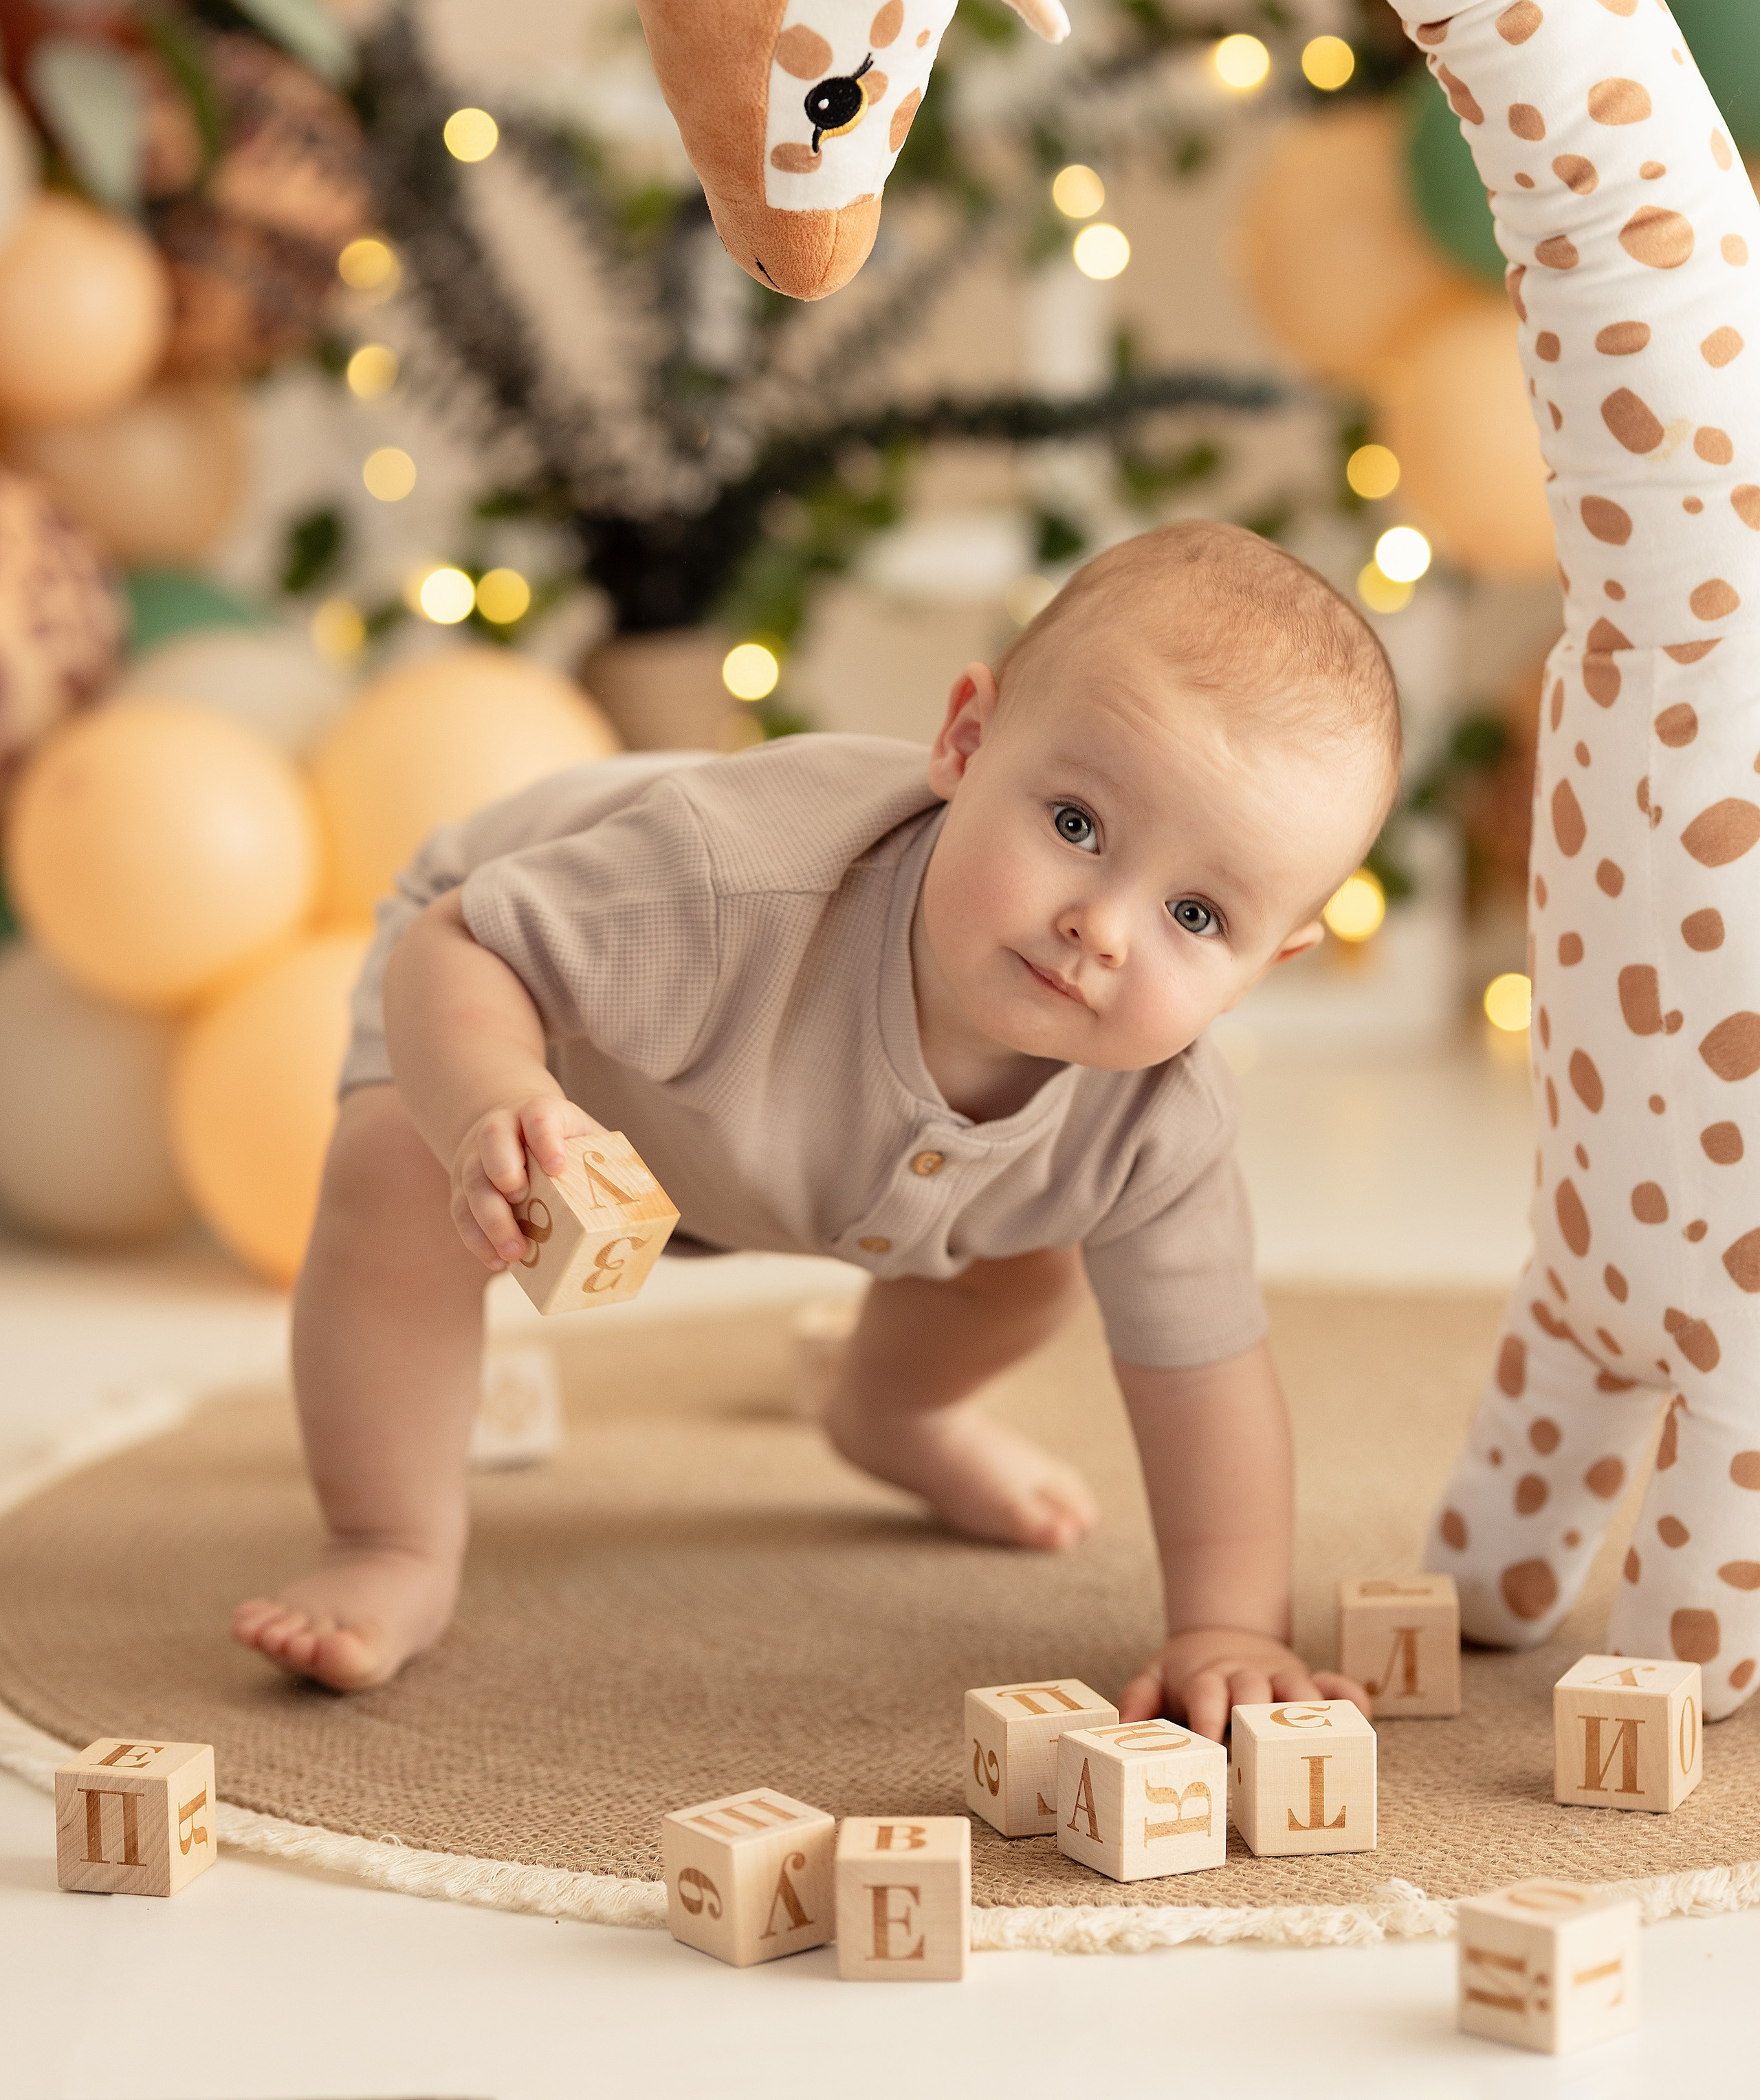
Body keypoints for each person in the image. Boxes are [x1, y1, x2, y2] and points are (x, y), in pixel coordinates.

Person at [234, 520, 1399, 1736]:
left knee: (1023, 1269)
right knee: (395, 1178)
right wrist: (490, 1099)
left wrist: (1230, 1625)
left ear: (1269, 963)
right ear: (966, 740)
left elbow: (1205, 1372)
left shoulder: (1158, 1122)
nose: (1102, 927)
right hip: (532, 987)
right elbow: (464, 946)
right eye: (1074, 826)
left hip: (787, 1144)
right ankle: (389, 1541)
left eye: (1198, 913)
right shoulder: (733, 888)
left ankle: (893, 1414)